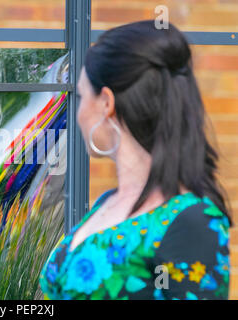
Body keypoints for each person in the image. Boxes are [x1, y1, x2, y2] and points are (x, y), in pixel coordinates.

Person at [40, 20, 232, 300]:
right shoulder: (106, 203)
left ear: (106, 103)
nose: (78, 112)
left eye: (82, 96)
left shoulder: (191, 221)